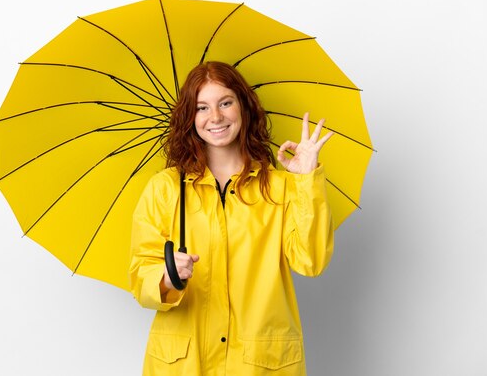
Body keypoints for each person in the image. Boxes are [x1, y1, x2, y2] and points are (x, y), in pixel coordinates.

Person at [129, 61, 335, 376]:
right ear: (189, 117)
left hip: (259, 363)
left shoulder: (280, 186)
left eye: (225, 102)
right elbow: (141, 275)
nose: (216, 117)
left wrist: (306, 182)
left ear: (244, 107)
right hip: (185, 364)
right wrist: (167, 277)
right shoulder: (165, 189)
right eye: (202, 107)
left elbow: (311, 261)